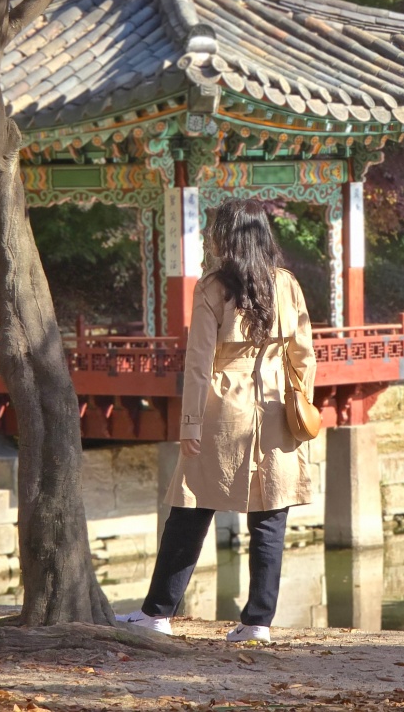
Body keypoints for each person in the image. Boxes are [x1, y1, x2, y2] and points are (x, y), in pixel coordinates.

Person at [121, 199, 316, 643]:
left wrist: (189, 422)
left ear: (227, 237)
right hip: (273, 407)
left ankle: (157, 612)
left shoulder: (212, 287)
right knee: (271, 515)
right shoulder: (286, 284)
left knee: (190, 507)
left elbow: (198, 362)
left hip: (221, 407)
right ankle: (258, 623)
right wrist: (299, 400)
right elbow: (304, 355)